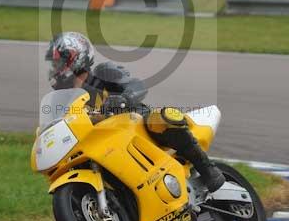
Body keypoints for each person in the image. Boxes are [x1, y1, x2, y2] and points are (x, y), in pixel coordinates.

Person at [45, 31, 224, 193]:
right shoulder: (64, 100)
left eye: (58, 62)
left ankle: (208, 169)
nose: (54, 68)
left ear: (76, 58)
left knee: (163, 118)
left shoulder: (103, 72)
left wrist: (125, 98)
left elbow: (137, 86)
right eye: (53, 64)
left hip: (137, 125)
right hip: (105, 144)